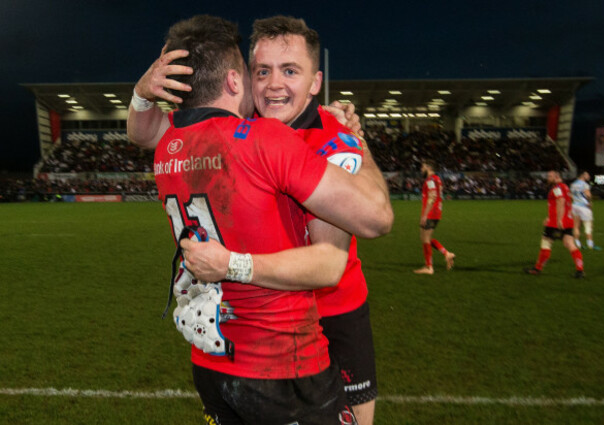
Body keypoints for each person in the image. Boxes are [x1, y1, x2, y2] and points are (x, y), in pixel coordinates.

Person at [129, 15, 393, 424]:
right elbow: (150, 133)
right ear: (242, 78)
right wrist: (143, 93)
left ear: (315, 82)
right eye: (262, 71)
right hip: (267, 334)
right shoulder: (242, 129)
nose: (273, 84)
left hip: (336, 310)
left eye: (290, 71)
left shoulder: (332, 138)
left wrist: (357, 142)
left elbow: (341, 250)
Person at [525, 171, 585, 278]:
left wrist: (558, 220)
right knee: (570, 244)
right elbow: (567, 201)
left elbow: (560, 201)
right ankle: (580, 270)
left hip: (555, 223)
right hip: (568, 221)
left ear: (557, 177)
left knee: (546, 243)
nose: (548, 178)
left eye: (550, 176)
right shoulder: (565, 187)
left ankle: (537, 268)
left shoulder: (557, 188)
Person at [413, 161, 455, 275]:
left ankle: (429, 267)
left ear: (428, 167)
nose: (421, 169)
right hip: (437, 212)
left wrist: (425, 215)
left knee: (425, 239)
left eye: (422, 167)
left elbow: (432, 196)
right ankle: (446, 253)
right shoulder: (437, 178)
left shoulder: (430, 180)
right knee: (425, 238)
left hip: (431, 212)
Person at [570, 171, 598, 250]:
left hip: (575, 206)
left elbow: (571, 195)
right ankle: (590, 244)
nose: (588, 176)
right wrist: (589, 202)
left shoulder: (573, 184)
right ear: (583, 175)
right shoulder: (584, 184)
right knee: (588, 225)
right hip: (584, 206)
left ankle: (578, 244)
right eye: (587, 174)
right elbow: (588, 195)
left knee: (576, 226)